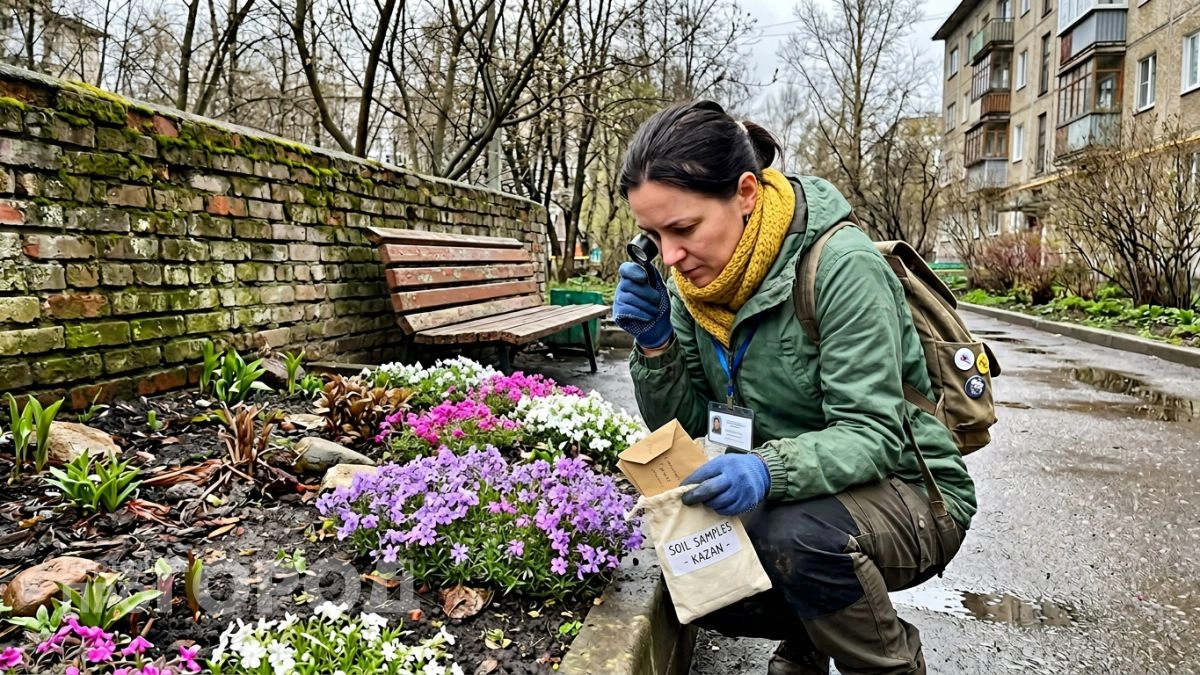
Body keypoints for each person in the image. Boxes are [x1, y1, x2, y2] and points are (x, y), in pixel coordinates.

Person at [612, 99, 977, 675]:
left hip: (910, 492)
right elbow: (688, 427)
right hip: (803, 496)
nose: (672, 257)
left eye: (683, 228)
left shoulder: (840, 266)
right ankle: (815, 634)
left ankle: (886, 664)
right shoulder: (692, 289)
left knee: (794, 538)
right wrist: (656, 347)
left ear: (746, 193)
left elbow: (873, 435)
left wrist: (766, 470)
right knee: (702, 568)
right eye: (653, 236)